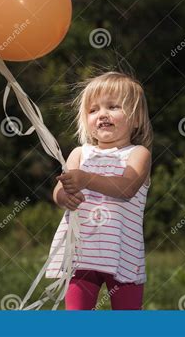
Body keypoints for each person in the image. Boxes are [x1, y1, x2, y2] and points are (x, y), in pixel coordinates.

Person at [45, 71, 153, 310]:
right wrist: (66, 196)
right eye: (93, 110)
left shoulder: (138, 154)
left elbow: (126, 188)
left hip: (123, 256)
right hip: (80, 255)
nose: (102, 114)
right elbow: (58, 192)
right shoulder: (79, 153)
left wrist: (86, 179)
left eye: (113, 107)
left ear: (135, 119)